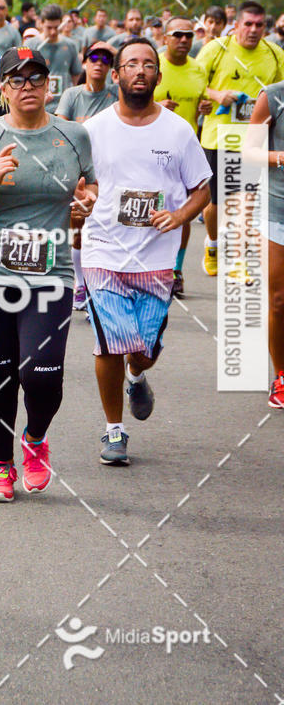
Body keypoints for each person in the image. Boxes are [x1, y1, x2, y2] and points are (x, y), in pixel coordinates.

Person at [0, 46, 97, 501]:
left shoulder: (75, 135)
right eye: (17, 79)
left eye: (36, 78)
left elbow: (89, 186)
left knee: (42, 374)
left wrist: (86, 203)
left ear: (49, 84)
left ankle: (34, 438)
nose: (27, 86)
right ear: (2, 88)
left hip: (50, 274)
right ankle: (1, 465)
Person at [81, 39, 211, 465]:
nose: (140, 70)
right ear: (116, 75)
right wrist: (80, 201)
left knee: (143, 350)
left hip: (155, 258)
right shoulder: (94, 129)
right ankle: (113, 432)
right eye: (131, 64)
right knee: (108, 345)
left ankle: (137, 376)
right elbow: (81, 184)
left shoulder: (177, 129)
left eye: (149, 65)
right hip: (104, 253)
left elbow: (201, 190)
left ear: (158, 75)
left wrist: (179, 216)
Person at [196, 0, 284, 276]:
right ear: (236, 25)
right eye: (248, 24)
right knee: (214, 204)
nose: (254, 30)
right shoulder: (216, 49)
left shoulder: (274, 52)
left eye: (259, 25)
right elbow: (194, 82)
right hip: (218, 136)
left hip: (256, 139)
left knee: (246, 200)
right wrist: (216, 95)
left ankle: (238, 261)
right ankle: (212, 244)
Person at [56, 41, 118, 311]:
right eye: (94, 58)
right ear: (84, 63)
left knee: (107, 230)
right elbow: (60, 128)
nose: (99, 64)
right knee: (78, 231)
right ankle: (80, 284)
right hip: (77, 171)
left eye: (106, 60)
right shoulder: (72, 95)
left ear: (111, 69)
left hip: (108, 171)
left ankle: (104, 284)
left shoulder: (115, 96)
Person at [153, 16, 211, 297]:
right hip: (150, 148)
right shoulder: (153, 66)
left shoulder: (199, 69)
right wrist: (157, 105)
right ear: (165, 38)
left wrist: (205, 106)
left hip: (185, 149)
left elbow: (201, 98)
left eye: (188, 35)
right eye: (177, 35)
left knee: (185, 212)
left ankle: (175, 270)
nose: (184, 40)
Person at [245, 85, 284, 409]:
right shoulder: (272, 97)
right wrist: (280, 156)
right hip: (276, 211)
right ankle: (281, 375)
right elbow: (249, 150)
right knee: (279, 300)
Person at [25, 4, 81, 113]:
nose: (53, 32)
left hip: (63, 108)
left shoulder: (70, 45)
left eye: (56, 27)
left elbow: (76, 74)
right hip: (37, 107)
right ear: (41, 23)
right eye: (49, 28)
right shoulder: (29, 45)